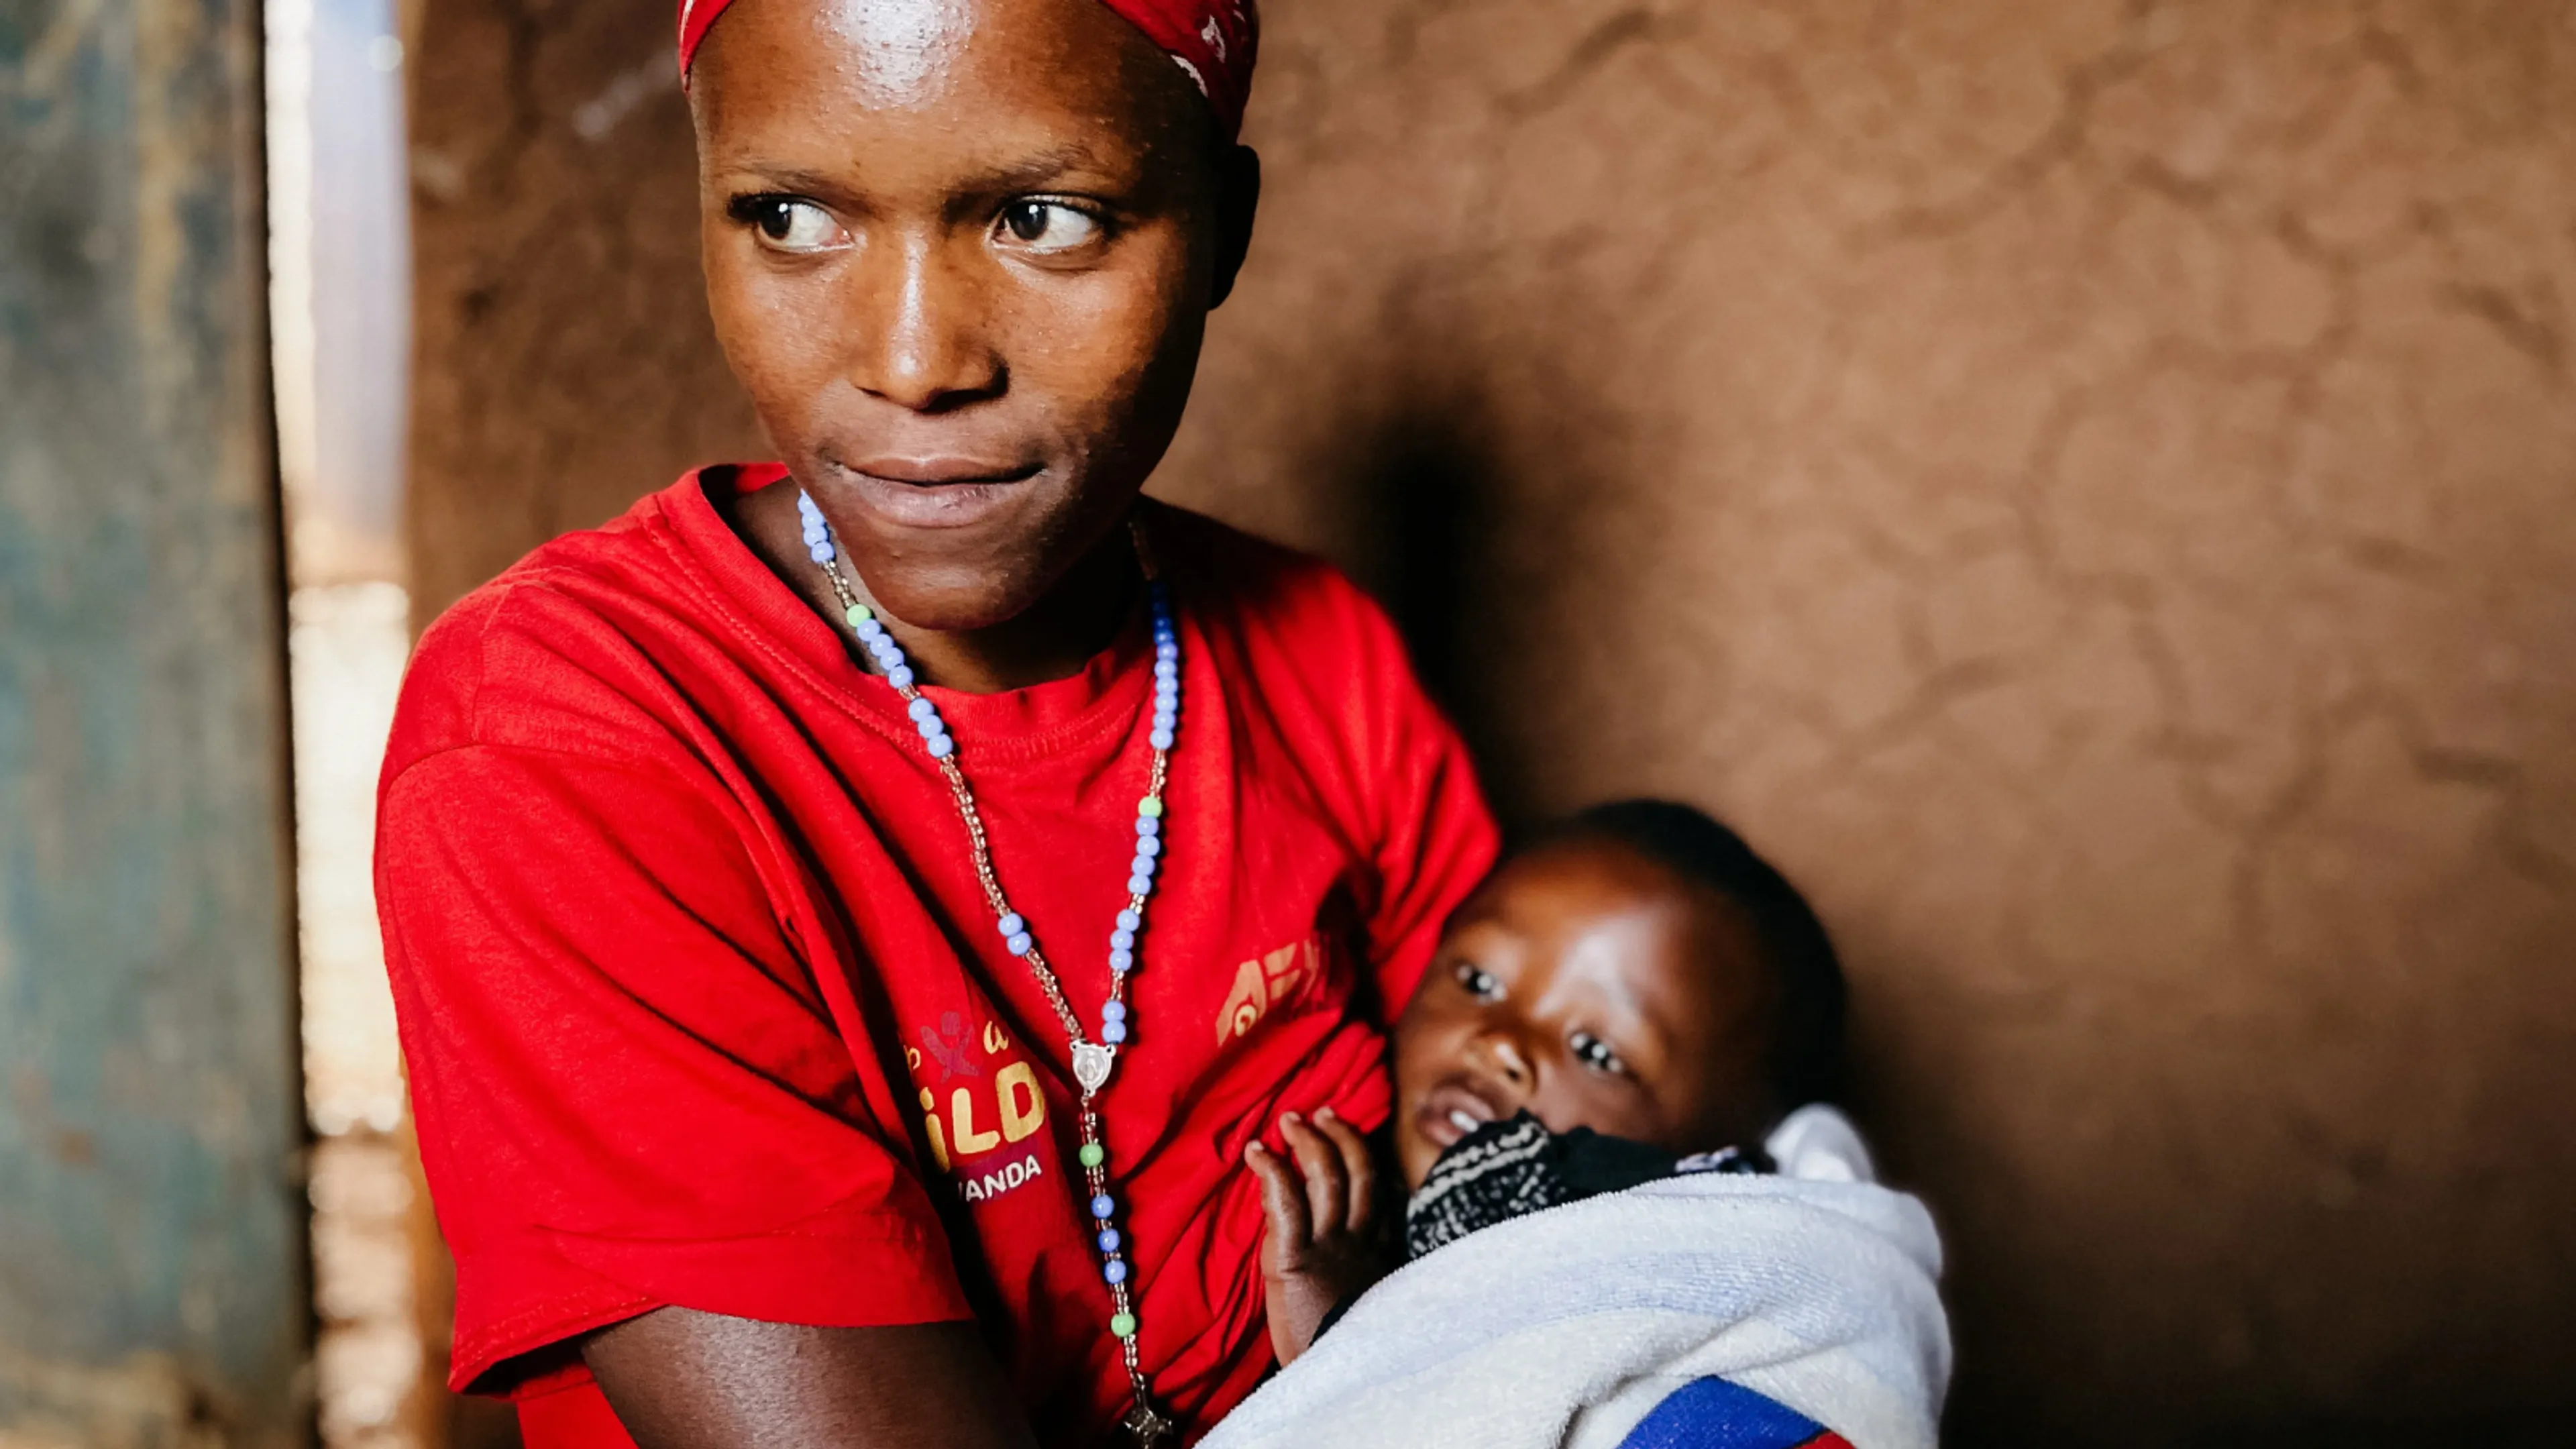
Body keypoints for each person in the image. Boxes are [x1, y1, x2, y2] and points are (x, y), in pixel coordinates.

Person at [372, 1, 1497, 1445]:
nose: (912, 362)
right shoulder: (566, 736)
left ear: (1222, 228)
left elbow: (1565, 1219)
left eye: (1043, 217)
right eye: (786, 216)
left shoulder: (1324, 666)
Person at [1228, 802, 1948, 1449]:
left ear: (1720, 1156)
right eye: (1479, 982)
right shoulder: (1363, 1197)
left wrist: (1351, 1345)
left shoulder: (1700, 1278)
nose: (1503, 1043)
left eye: (1598, 1053)